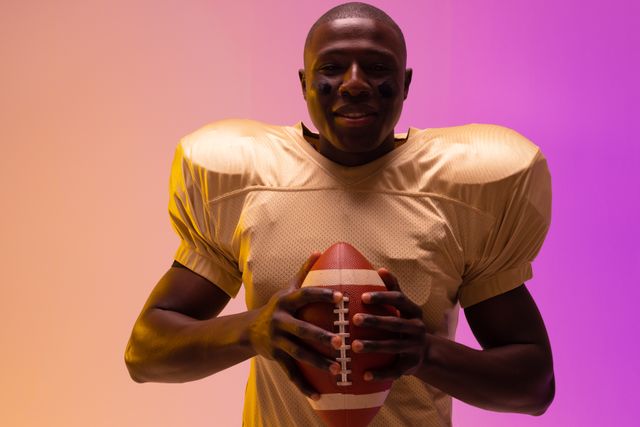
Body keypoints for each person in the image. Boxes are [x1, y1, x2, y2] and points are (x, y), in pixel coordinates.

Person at [124, 2, 555, 426]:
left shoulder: (462, 193)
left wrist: (423, 352)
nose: (353, 83)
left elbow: (534, 387)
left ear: (404, 84)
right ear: (305, 82)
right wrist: (254, 330)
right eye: (332, 68)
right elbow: (145, 353)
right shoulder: (244, 182)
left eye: (376, 67)